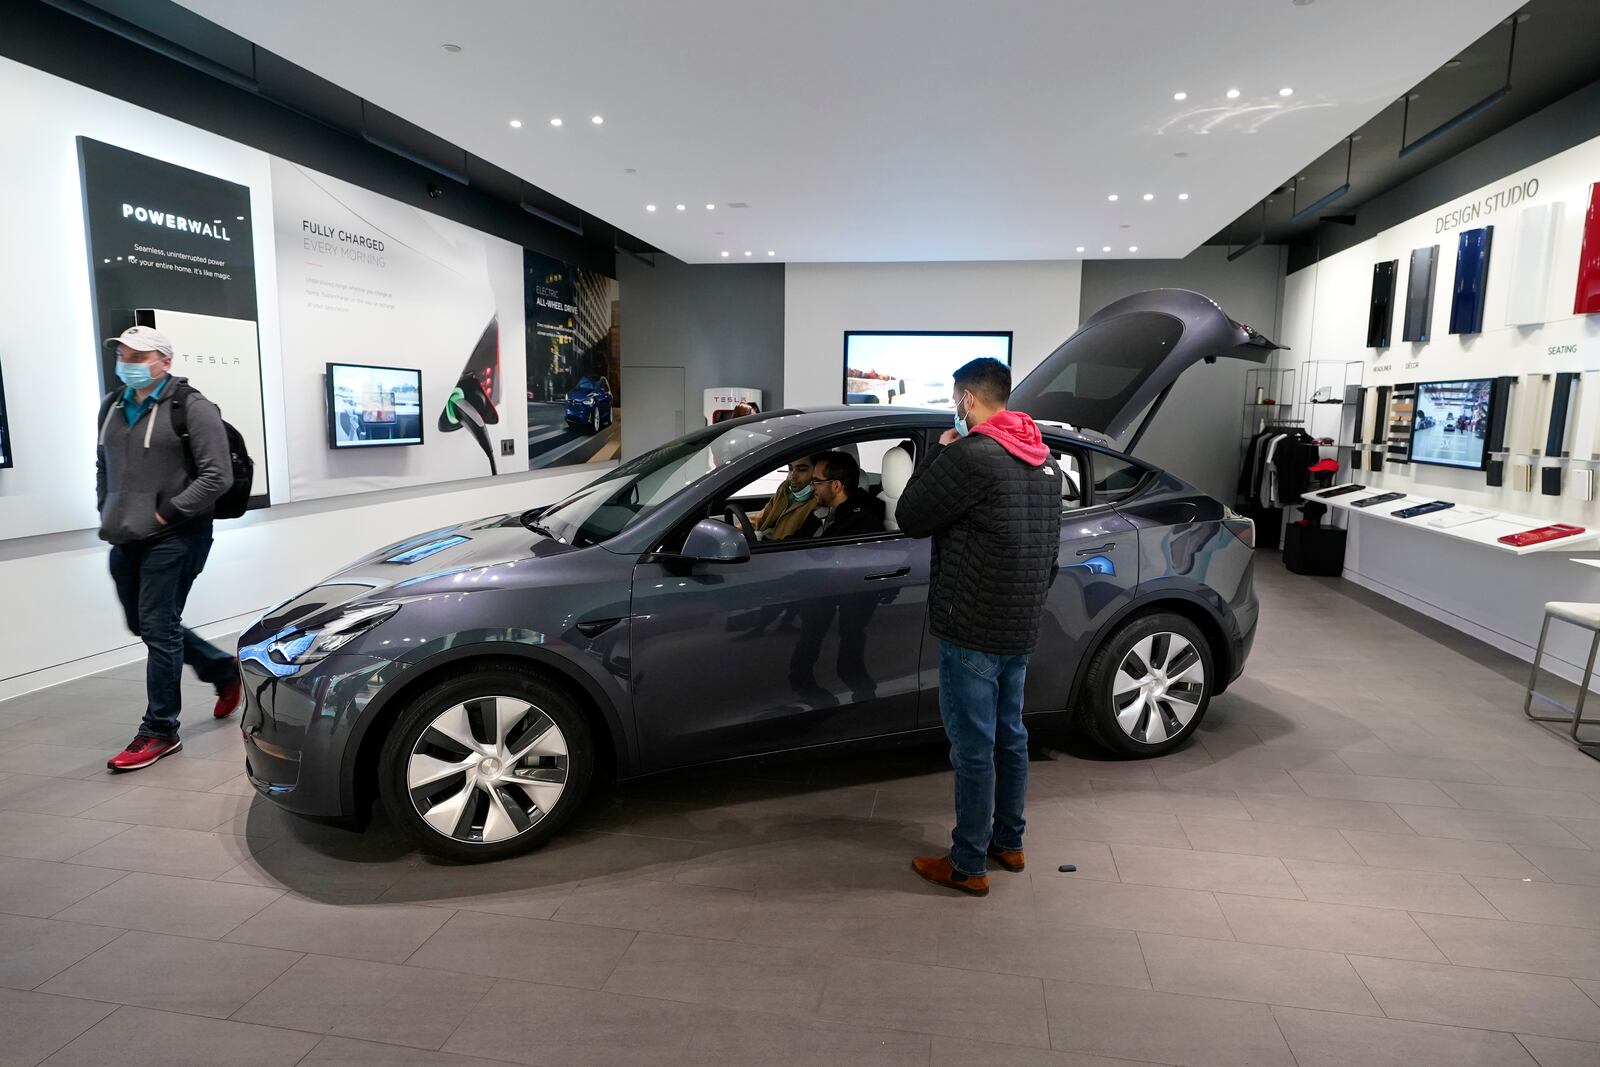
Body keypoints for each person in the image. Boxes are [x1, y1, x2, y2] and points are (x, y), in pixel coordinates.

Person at [896, 357, 1061, 896]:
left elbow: (912, 515)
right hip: (1020, 621)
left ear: (967, 400)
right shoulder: (1043, 457)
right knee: (1010, 736)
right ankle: (1008, 842)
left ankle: (968, 864)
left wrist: (939, 454)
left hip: (970, 623)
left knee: (972, 746)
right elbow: (1049, 550)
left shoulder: (971, 455)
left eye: (955, 399)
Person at [97, 325, 242, 771]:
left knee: (160, 627)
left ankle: (160, 730)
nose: (128, 363)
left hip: (176, 536)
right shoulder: (111, 406)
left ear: (165, 362)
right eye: (123, 354)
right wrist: (106, 506)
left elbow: (218, 476)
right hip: (124, 535)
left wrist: (165, 514)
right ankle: (221, 668)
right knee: (144, 623)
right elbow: (103, 464)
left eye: (139, 357)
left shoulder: (192, 408)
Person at [805, 451, 885, 539]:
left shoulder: (862, 524)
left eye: (816, 481)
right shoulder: (822, 511)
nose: (812, 487)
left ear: (836, 486)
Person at [753, 456, 821, 541]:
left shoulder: (818, 503)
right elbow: (762, 516)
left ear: (817, 472)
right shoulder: (785, 489)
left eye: (801, 470)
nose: (792, 476)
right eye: (790, 468)